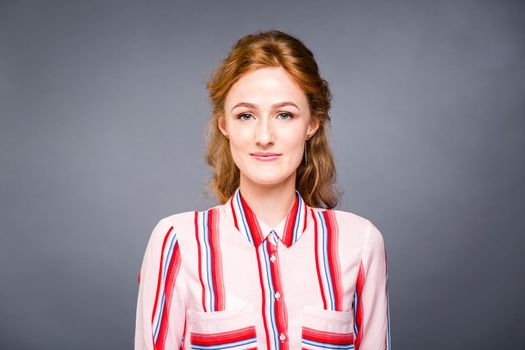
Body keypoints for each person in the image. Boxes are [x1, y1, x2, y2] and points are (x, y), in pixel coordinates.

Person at [135, 30, 390, 350]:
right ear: (224, 125)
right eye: (246, 115)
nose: (265, 136)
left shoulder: (361, 243)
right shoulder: (176, 242)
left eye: (285, 114)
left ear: (312, 124)